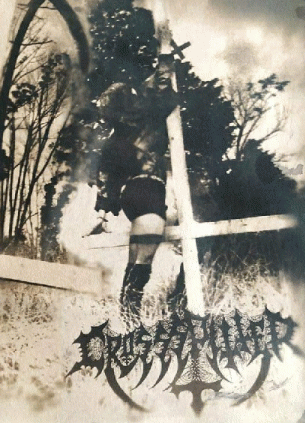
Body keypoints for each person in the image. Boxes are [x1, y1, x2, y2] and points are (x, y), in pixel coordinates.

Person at [95, 54, 186, 321]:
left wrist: (103, 212)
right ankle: (132, 313)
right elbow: (160, 92)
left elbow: (107, 179)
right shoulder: (146, 119)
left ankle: (127, 317)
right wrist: (165, 68)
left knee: (136, 256)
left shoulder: (115, 140)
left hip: (135, 195)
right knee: (144, 256)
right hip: (146, 189)